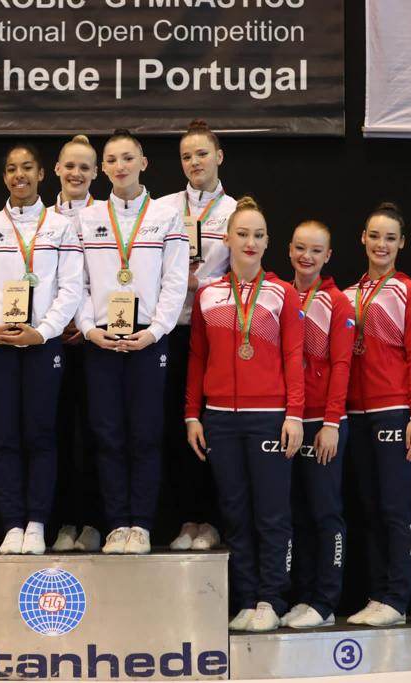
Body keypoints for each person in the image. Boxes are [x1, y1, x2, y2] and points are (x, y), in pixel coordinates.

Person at [185, 196, 304, 632]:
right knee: (234, 514)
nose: (250, 242)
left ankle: (271, 599)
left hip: (268, 416)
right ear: (227, 238)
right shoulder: (210, 293)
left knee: (272, 514)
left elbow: (294, 356)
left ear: (267, 241)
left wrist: (294, 414)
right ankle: (246, 597)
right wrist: (191, 415)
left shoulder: (282, 293)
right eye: (242, 234)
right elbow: (197, 357)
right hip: (219, 418)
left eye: (258, 235)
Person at [0, 142, 83, 555]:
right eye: (11, 169)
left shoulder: (61, 226)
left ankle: (38, 523)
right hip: (0, 346)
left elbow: (70, 288)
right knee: (6, 437)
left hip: (42, 346)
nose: (19, 176)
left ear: (42, 173)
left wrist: (43, 331)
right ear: (4, 177)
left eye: (27, 167)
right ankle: (12, 523)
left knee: (41, 435)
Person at [76, 129, 188, 554]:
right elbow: (78, 282)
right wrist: (89, 330)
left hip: (148, 340)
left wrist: (155, 332)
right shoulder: (87, 219)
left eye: (128, 158)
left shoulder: (165, 216)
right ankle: (115, 524)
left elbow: (175, 281)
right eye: (111, 160)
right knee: (107, 435)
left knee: (144, 434)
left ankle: (139, 524)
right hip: (101, 340)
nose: (120, 166)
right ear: (102, 169)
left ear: (144, 163)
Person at [343, 202, 411, 627]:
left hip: (394, 410)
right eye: (375, 236)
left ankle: (397, 598)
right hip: (356, 413)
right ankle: (378, 594)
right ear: (363, 238)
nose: (381, 245)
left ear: (402, 244)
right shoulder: (348, 295)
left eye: (390, 238)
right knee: (370, 506)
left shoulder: (409, 292)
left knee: (396, 506)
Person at [161, 119, 236, 552]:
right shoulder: (164, 207)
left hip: (217, 331)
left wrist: (202, 285)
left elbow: (243, 269)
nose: (194, 162)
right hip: (172, 328)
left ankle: (210, 520)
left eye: (202, 154)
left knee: (211, 425)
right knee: (176, 425)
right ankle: (185, 519)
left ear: (219, 157)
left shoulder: (235, 211)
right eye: (187, 156)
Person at [282, 220, 354, 629]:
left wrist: (331, 424)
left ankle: (325, 602)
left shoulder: (337, 303)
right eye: (300, 248)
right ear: (289, 250)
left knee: (325, 512)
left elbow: (342, 366)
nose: (306, 256)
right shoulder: (277, 296)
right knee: (297, 512)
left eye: (316, 250)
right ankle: (305, 594)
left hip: (324, 422)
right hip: (289, 420)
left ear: (328, 256)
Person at [49, 134, 102, 553]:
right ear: (57, 170)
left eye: (85, 167)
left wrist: (85, 325)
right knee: (58, 433)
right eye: (70, 166)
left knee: (96, 432)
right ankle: (66, 521)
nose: (76, 173)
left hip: (97, 340)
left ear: (96, 173)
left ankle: (96, 522)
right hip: (49, 340)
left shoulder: (109, 216)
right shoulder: (41, 218)